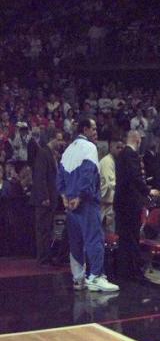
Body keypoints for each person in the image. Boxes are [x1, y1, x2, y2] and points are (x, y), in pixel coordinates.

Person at [56, 118, 119, 292]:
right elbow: (88, 172)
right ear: (85, 129)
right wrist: (80, 195)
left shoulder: (68, 149)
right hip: (86, 202)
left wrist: (64, 196)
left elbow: (60, 175)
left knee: (75, 241)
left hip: (70, 204)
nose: (96, 132)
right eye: (94, 128)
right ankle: (96, 277)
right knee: (94, 238)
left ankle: (78, 278)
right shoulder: (90, 147)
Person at [115, 130, 158, 281]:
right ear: (137, 140)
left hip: (120, 203)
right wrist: (148, 191)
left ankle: (124, 271)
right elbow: (135, 177)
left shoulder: (120, 155)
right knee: (132, 237)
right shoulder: (131, 155)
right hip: (130, 204)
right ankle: (135, 272)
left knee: (124, 238)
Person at [30, 128, 64, 266]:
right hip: (45, 199)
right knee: (43, 229)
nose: (61, 142)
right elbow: (40, 177)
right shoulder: (43, 154)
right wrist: (44, 197)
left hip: (50, 198)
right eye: (59, 139)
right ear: (52, 139)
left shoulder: (50, 154)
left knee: (47, 229)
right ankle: (43, 258)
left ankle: (46, 256)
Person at [99, 136, 123, 235]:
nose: (120, 150)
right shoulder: (107, 161)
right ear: (110, 147)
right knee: (108, 235)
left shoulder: (115, 161)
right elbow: (111, 183)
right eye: (117, 147)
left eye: (122, 148)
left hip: (111, 204)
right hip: (106, 205)